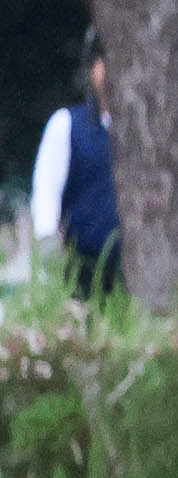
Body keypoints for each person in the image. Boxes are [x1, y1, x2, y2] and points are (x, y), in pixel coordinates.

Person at [28, 35, 120, 299]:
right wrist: (49, 248)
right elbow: (47, 189)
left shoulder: (143, 133)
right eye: (105, 61)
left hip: (133, 271)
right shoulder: (67, 125)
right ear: (93, 68)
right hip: (80, 268)